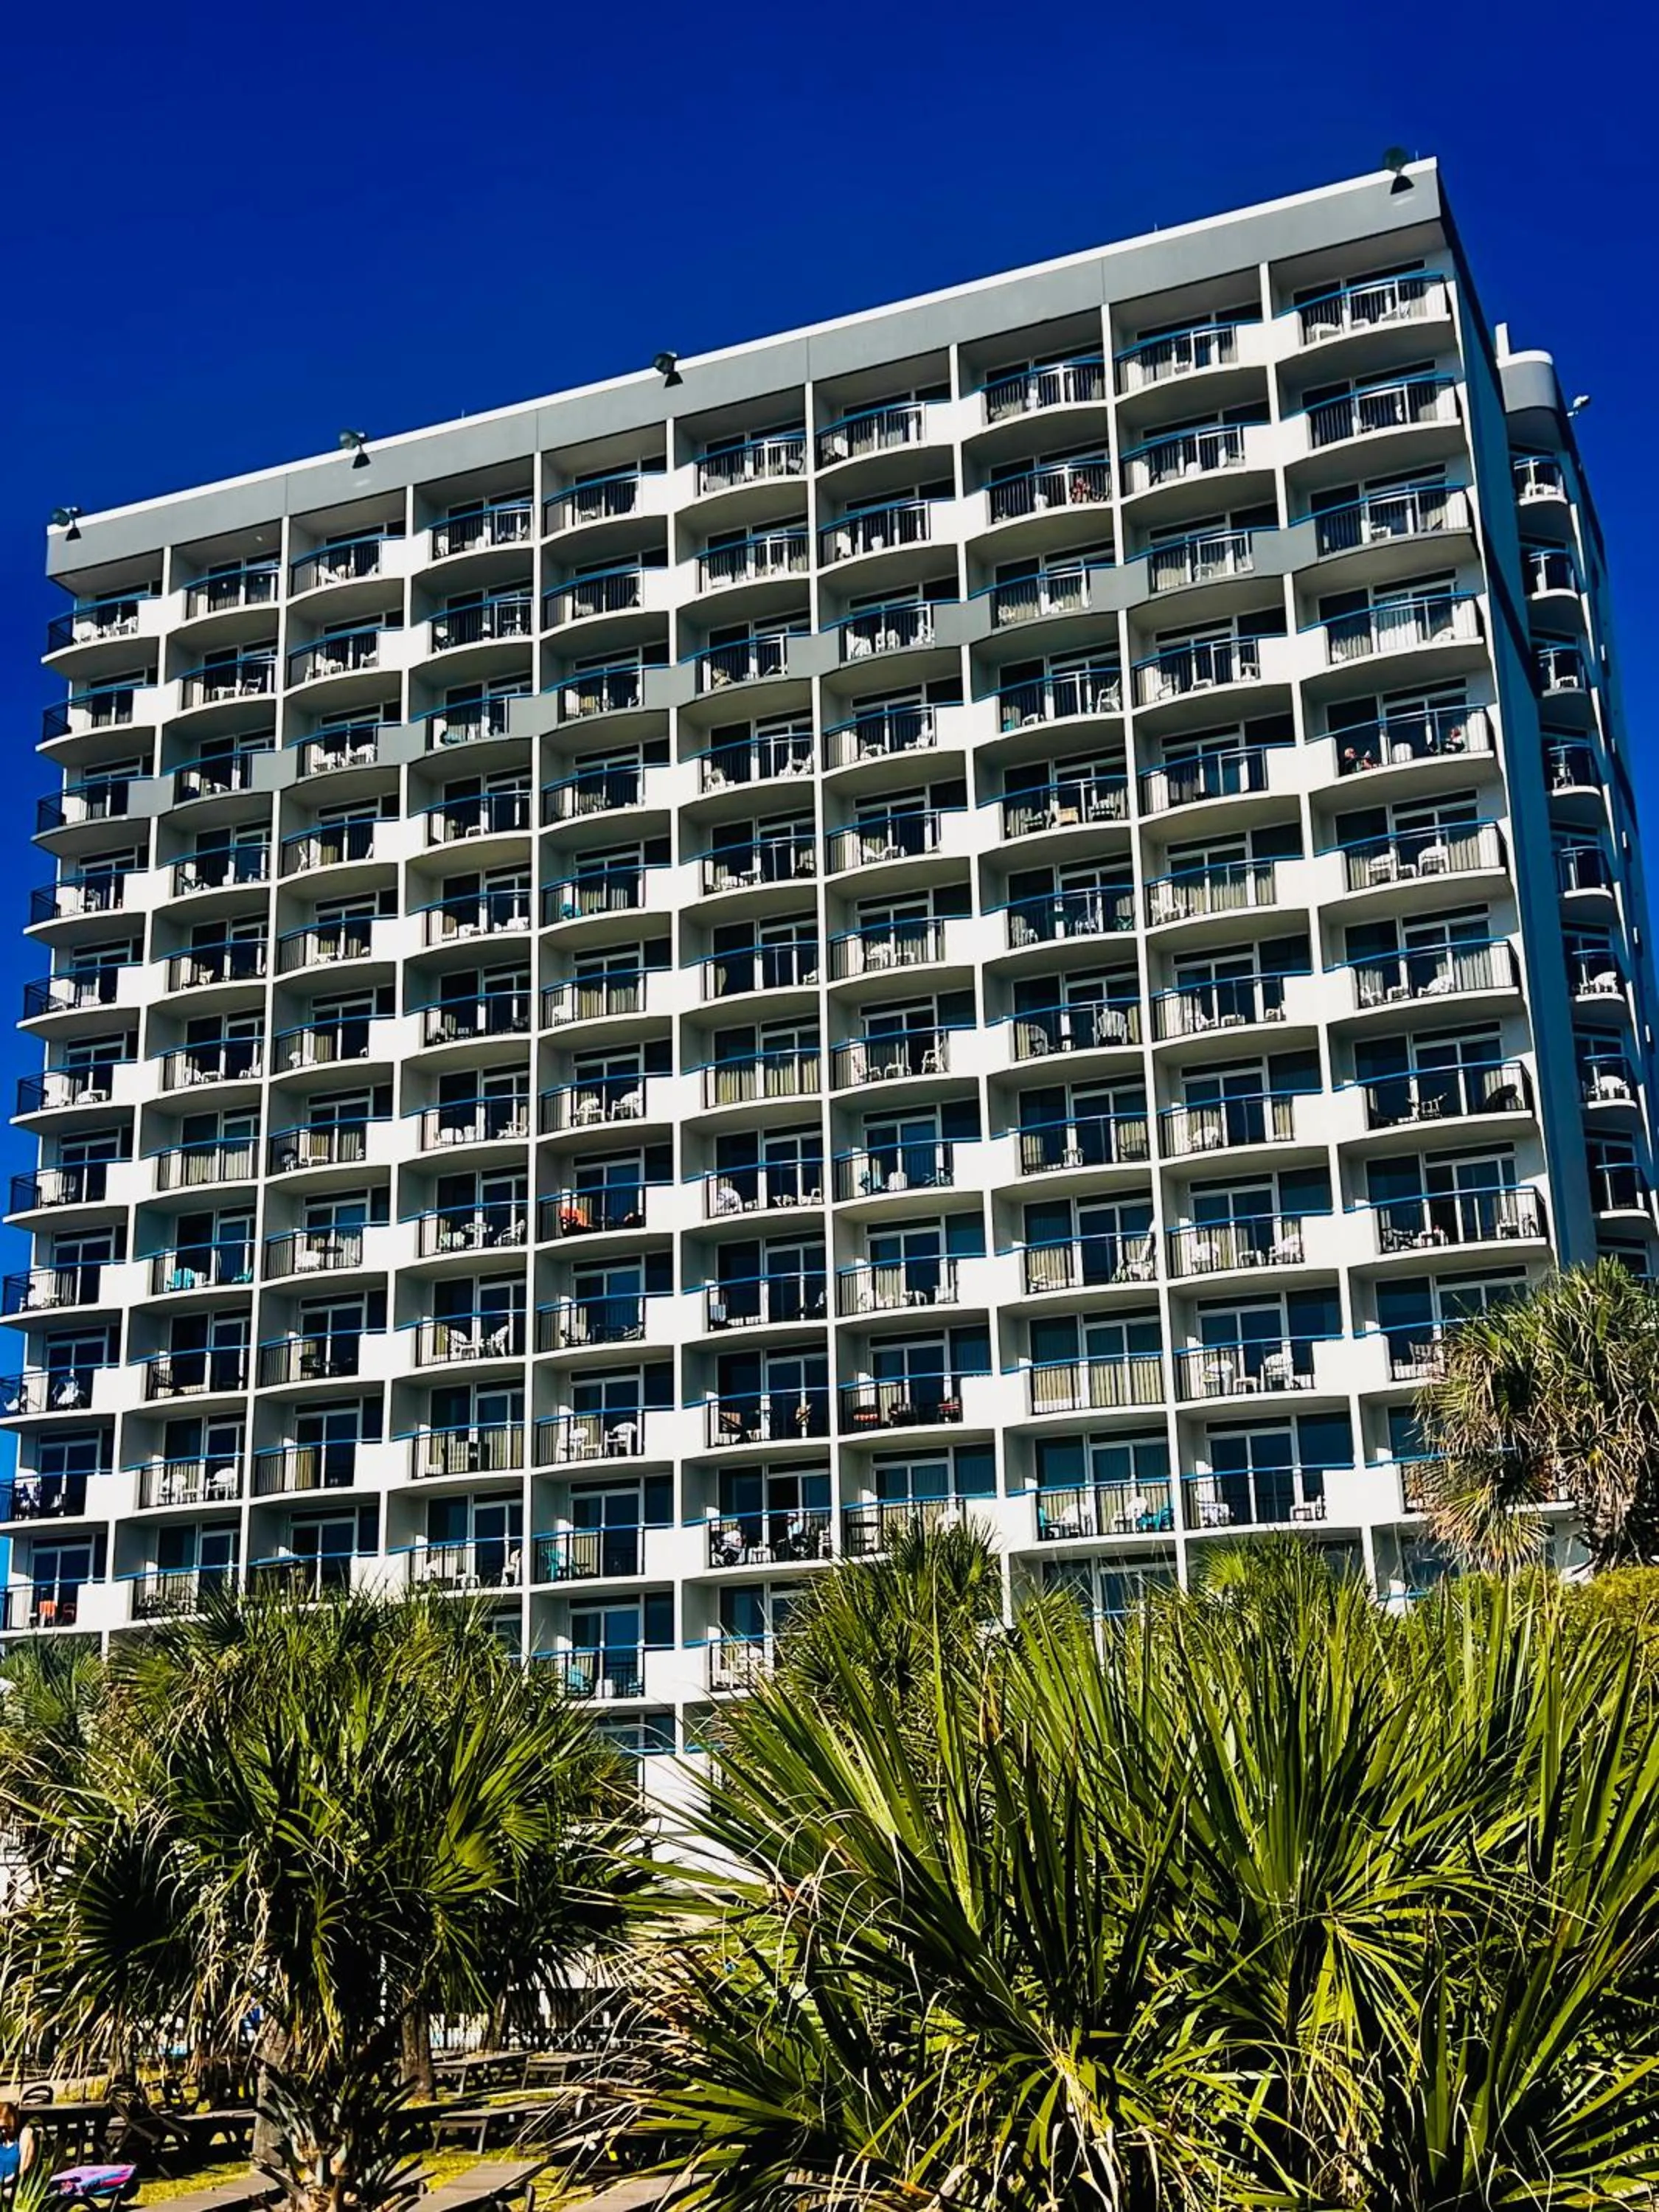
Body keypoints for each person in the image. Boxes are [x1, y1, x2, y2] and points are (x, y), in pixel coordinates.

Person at [0, 2102, 39, 2194]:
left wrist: (4, 2183)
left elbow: (23, 2170)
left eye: (7, 2127)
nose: (4, 2131)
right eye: (0, 2128)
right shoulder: (2, 2139)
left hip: (13, 2186)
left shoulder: (24, 2136)